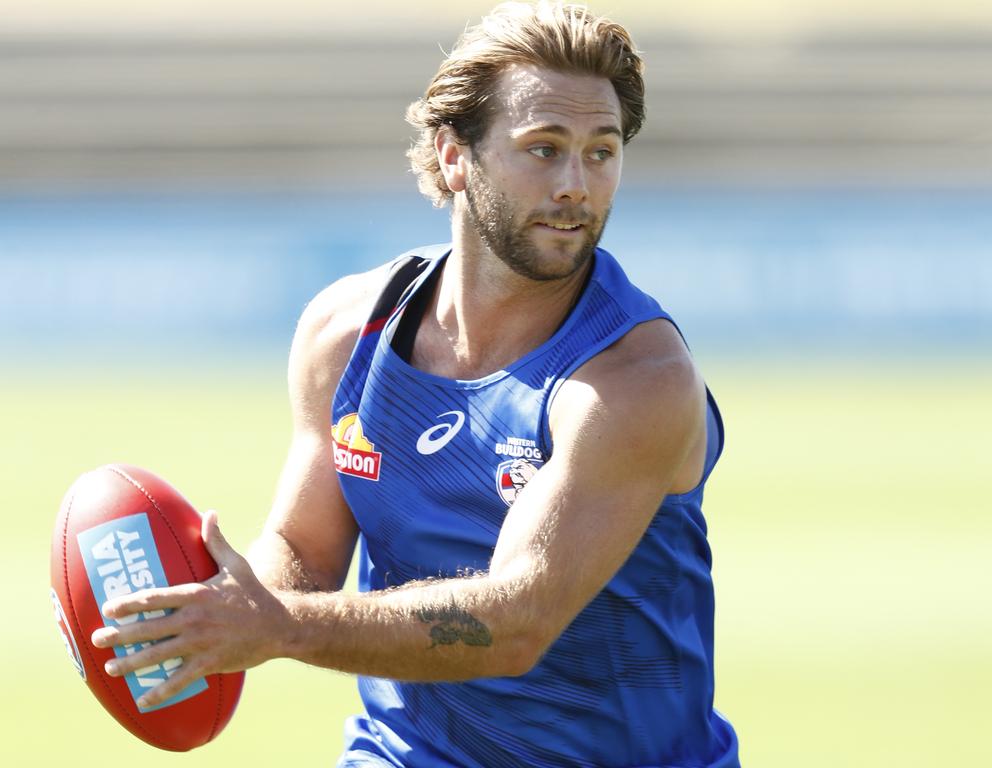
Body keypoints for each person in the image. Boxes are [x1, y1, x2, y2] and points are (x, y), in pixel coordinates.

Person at [92, 2, 740, 765]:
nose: (577, 185)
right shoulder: (346, 335)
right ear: (455, 155)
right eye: (544, 148)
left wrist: (280, 626)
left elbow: (518, 622)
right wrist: (226, 609)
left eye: (601, 152)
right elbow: (304, 545)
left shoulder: (634, 380)